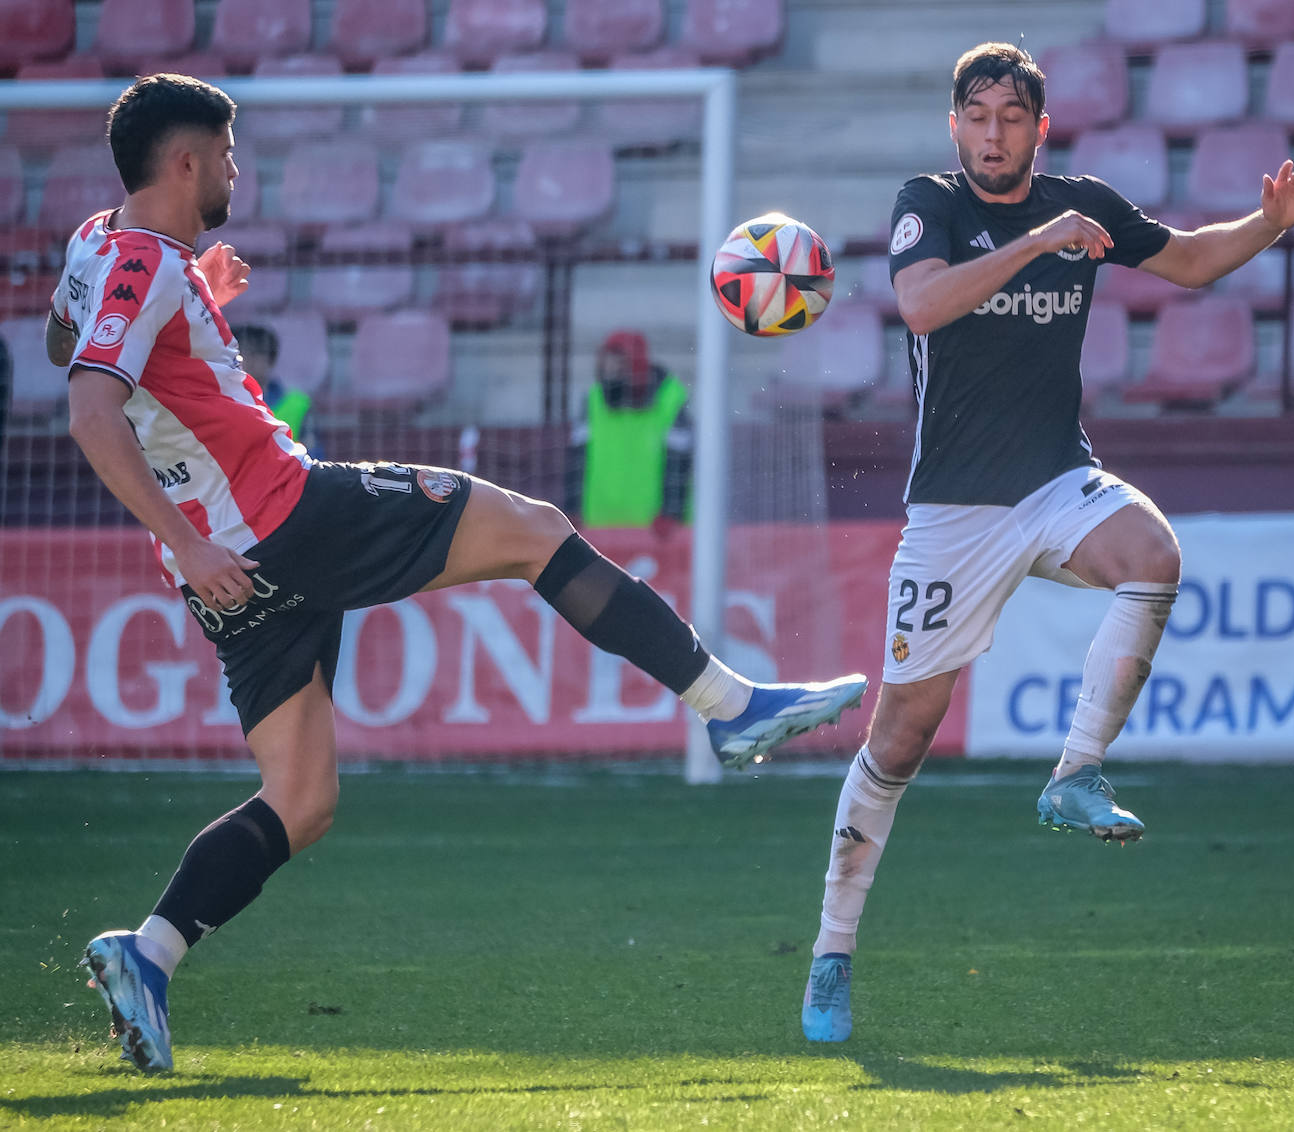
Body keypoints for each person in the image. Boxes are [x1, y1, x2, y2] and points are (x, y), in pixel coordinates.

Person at [50, 73, 867, 1074]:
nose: (233, 168)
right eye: (223, 153)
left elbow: (71, 339)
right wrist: (187, 535)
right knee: (532, 529)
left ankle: (149, 952)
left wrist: (188, 313)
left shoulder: (99, 248)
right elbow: (91, 412)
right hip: (281, 514)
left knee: (301, 799)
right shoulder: (141, 261)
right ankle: (727, 701)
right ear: (183, 161)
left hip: (237, 564)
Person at [799, 42, 1294, 1043]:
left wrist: (1267, 223)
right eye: (977, 115)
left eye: (1013, 117)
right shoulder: (931, 202)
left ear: (1040, 130)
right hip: (955, 511)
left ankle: (1075, 772)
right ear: (953, 125)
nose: (993, 133)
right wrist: (1039, 244)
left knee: (1155, 555)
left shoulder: (1083, 202)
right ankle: (832, 948)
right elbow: (920, 303)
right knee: (899, 739)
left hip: (1053, 481)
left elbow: (1187, 260)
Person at [565, 330, 692, 535]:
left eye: (618, 363)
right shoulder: (593, 400)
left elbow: (678, 463)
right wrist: (571, 511)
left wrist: (671, 514)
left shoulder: (670, 400)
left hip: (656, 533)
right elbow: (577, 461)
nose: (610, 370)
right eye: (606, 363)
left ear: (635, 364)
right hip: (598, 529)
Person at [231, 322, 316, 451]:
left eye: (255, 353)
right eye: (241, 353)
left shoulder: (297, 404)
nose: (247, 360)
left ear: (271, 358)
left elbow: (313, 454)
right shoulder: (224, 401)